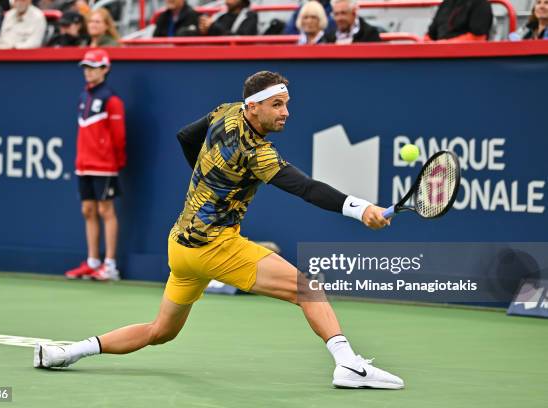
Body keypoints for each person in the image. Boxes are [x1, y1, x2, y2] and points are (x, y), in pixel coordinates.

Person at [35, 71, 404, 390]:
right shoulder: (258, 154)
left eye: (287, 104)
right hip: (214, 247)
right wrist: (361, 209)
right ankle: (349, 364)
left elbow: (185, 137)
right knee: (307, 289)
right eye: (277, 105)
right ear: (254, 106)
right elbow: (307, 188)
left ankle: (66, 352)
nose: (286, 112)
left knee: (161, 331)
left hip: (180, 246)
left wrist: (209, 179)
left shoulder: (223, 112)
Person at [64, 49, 126, 282]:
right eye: (86, 68)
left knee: (105, 210)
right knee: (87, 210)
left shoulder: (112, 100)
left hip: (104, 165)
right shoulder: (83, 96)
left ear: (105, 69)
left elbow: (119, 137)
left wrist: (116, 162)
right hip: (84, 163)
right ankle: (92, 261)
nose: (88, 72)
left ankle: (110, 265)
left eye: (94, 67)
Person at [425, 0, 493, 42]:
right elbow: (430, 36)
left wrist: (444, 45)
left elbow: (478, 38)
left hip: (465, 59)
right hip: (439, 56)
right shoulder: (446, 3)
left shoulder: (480, 3)